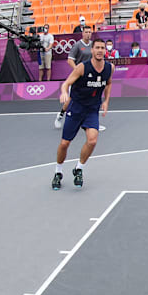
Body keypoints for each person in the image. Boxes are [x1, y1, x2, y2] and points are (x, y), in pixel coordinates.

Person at [52, 38, 112, 191]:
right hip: (76, 108)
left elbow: (109, 83)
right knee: (65, 143)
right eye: (97, 47)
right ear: (92, 50)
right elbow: (66, 83)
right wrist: (64, 92)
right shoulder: (82, 68)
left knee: (92, 141)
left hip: (92, 110)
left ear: (105, 51)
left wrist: (106, 101)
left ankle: (79, 169)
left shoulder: (109, 68)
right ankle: (58, 172)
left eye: (102, 48)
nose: (99, 50)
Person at [54, 26, 95, 129]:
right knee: (71, 99)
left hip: (89, 76)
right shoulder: (77, 45)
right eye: (86, 32)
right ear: (83, 33)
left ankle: (91, 121)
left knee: (91, 98)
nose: (88, 34)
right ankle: (61, 115)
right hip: (78, 76)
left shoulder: (93, 45)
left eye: (90, 32)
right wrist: (77, 69)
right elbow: (70, 60)